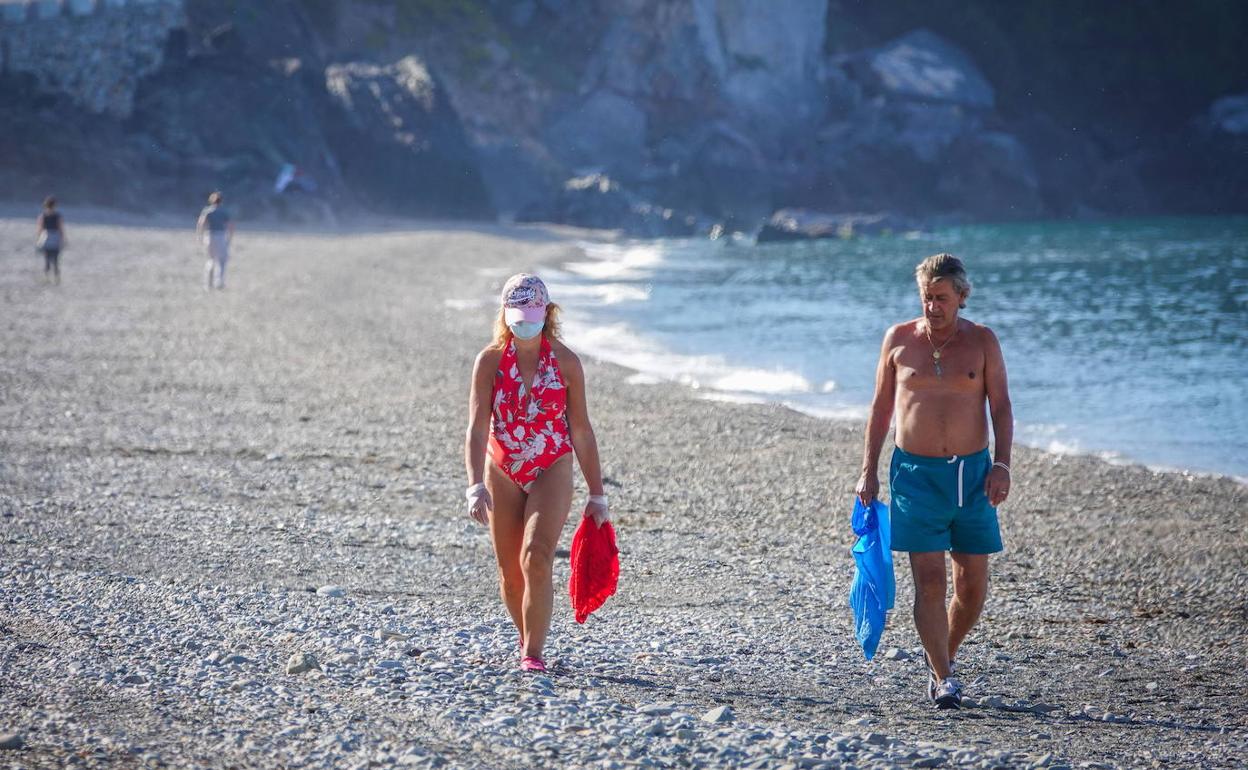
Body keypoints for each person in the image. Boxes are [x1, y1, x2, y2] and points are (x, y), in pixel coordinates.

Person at [855, 253, 1013, 709]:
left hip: (973, 476)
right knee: (928, 581)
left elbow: (1001, 406)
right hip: (914, 477)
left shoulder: (982, 342)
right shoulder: (899, 340)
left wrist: (1002, 465)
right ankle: (944, 677)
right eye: (927, 297)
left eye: (942, 298)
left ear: (962, 297)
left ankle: (941, 653)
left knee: (972, 586)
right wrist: (868, 470)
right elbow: (880, 409)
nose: (932, 307)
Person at [464, 273, 609, 673]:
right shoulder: (490, 361)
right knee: (511, 575)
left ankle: (533, 654)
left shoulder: (566, 363)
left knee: (536, 557)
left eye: (531, 313)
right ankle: (526, 634)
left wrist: (598, 495)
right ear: (506, 314)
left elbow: (581, 430)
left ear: (546, 313)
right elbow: (477, 428)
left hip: (551, 466)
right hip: (503, 468)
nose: (524, 322)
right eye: (517, 314)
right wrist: (474, 484)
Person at [196, 191, 234, 290]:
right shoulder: (224, 212)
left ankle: (208, 284)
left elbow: (201, 224)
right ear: (221, 201)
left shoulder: (207, 211)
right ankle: (219, 282)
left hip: (209, 236)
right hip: (220, 236)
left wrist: (200, 236)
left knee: (211, 260)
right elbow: (230, 226)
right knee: (222, 260)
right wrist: (229, 239)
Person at [35, 196, 66, 284]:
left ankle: (47, 277)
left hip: (46, 238)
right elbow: (61, 228)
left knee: (47, 259)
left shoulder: (43, 216)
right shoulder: (57, 216)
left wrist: (38, 239)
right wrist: (63, 239)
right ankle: (56, 278)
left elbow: (39, 228)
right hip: (55, 238)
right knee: (55, 260)